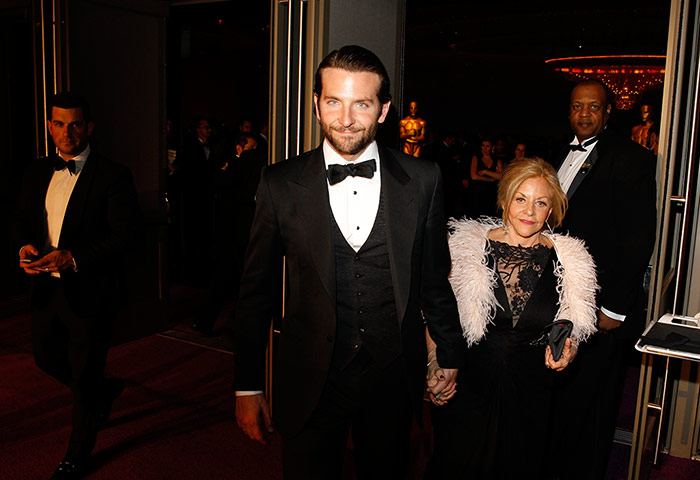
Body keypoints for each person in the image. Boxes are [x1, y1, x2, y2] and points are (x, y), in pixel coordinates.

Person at [232, 45, 464, 479]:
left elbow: (434, 277)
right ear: (317, 104)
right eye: (334, 101)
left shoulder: (423, 178)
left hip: (393, 377)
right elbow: (255, 292)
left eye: (362, 103)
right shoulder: (280, 182)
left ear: (383, 110)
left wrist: (446, 351)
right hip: (310, 378)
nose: (345, 118)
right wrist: (247, 384)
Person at [425, 157, 598, 479]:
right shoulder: (465, 248)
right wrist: (436, 362)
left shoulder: (572, 262)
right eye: (521, 198)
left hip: (531, 391)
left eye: (541, 202)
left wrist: (568, 351)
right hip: (468, 383)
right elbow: (437, 316)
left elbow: (574, 325)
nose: (529, 211)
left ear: (553, 210)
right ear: (504, 199)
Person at [13, 92, 141, 479]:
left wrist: (74, 257)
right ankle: (101, 395)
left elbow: (126, 236)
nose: (67, 132)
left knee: (85, 374)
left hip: (91, 290)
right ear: (50, 126)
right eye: (59, 123)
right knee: (45, 358)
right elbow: (21, 220)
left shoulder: (113, 175)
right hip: (45, 288)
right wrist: (23, 246)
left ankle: (77, 454)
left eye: (75, 124)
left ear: (89, 127)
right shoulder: (37, 170)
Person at [550, 79, 657, 479]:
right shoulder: (560, 154)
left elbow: (637, 240)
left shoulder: (631, 158)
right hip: (561, 294)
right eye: (578, 106)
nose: (584, 114)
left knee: (594, 399)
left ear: (609, 112)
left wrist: (614, 307)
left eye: (593, 107)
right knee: (565, 390)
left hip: (601, 303)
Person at [467, 138, 503, 218]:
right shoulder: (476, 158)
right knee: (475, 217)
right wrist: (490, 179)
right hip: (477, 193)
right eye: (483, 146)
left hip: (491, 193)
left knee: (490, 217)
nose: (485, 148)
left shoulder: (496, 159)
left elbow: (501, 176)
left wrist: (484, 172)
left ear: (492, 147)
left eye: (488, 146)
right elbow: (474, 176)